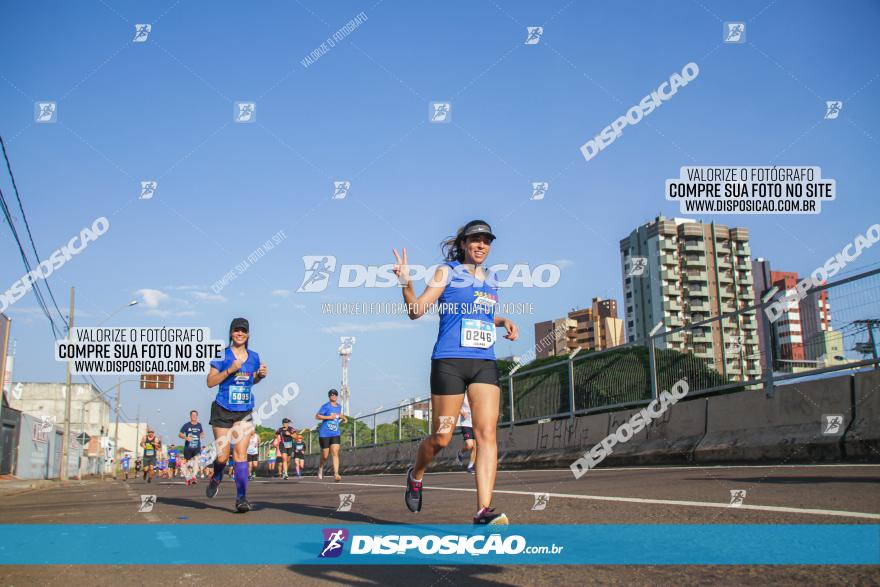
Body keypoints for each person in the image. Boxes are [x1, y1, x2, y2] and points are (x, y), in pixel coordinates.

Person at [392, 219, 518, 525]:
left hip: (484, 363)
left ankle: (482, 511)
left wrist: (502, 322)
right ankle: (416, 473)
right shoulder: (446, 272)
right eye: (475, 239)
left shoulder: (492, 279)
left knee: (486, 433)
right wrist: (406, 283)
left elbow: (480, 312)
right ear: (462, 244)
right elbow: (416, 310)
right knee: (442, 437)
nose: (481, 245)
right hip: (449, 362)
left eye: (486, 240)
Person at [205, 317, 267, 513]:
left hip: (244, 411)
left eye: (243, 330)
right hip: (223, 409)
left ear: (248, 334)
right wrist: (230, 370)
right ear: (231, 333)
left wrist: (259, 376)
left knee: (241, 455)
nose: (240, 333)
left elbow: (250, 382)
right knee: (223, 458)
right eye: (236, 330)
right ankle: (216, 476)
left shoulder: (254, 357)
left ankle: (241, 498)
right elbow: (210, 382)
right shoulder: (221, 355)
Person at [315, 389, 347, 482]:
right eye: (331, 395)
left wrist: (344, 418)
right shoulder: (325, 406)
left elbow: (338, 414)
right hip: (324, 434)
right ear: (329, 396)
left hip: (335, 433)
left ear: (337, 396)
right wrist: (329, 417)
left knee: (335, 453)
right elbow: (317, 416)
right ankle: (320, 468)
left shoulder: (339, 406)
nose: (333, 396)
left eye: (335, 395)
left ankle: (336, 474)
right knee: (325, 455)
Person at [179, 410, 205, 486]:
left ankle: (193, 477)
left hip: (197, 447)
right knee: (189, 464)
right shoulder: (186, 425)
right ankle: (188, 478)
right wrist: (185, 437)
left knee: (196, 461)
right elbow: (180, 434)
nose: (194, 416)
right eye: (192, 415)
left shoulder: (199, 425)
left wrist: (202, 435)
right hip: (188, 448)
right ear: (190, 416)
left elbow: (202, 432)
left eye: (195, 415)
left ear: (197, 416)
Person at [456, 395, 477, 474]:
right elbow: (456, 406)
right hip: (466, 423)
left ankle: (470, 466)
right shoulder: (463, 395)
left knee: (475, 447)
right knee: (469, 445)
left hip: (476, 424)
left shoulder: (476, 394)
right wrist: (462, 413)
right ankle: (460, 452)